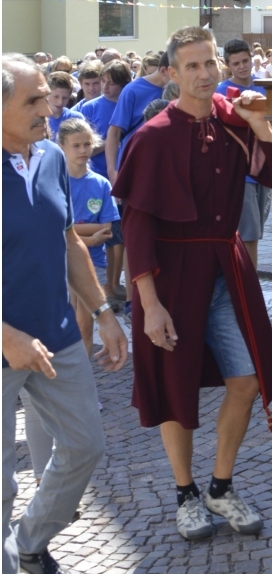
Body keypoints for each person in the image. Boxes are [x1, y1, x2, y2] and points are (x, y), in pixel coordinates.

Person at [112, 27, 272, 541]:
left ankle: (220, 485)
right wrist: (148, 305)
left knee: (247, 379)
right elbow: (137, 226)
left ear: (219, 66)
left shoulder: (236, 122)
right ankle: (185, 493)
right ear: (172, 76)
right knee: (176, 390)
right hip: (172, 277)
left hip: (227, 267)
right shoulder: (151, 138)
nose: (202, 74)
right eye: (190, 66)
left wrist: (262, 127)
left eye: (208, 63)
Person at [2, 54, 127, 574]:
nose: (47, 110)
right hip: (4, 349)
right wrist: (7, 336)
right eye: (32, 102)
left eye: (45, 101)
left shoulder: (50, 156)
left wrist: (102, 311)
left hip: (57, 336)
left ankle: (30, 545)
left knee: (86, 446)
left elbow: (67, 238)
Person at [55, 119, 118, 355]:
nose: (82, 150)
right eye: (76, 145)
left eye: (86, 144)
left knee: (86, 323)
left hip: (94, 261)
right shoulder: (55, 181)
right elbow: (57, 225)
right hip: (61, 259)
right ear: (61, 146)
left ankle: (84, 377)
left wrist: (75, 231)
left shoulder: (101, 183)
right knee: (64, 321)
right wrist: (90, 237)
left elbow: (107, 226)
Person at [217, 38, 271, 268]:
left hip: (264, 168)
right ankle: (250, 288)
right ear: (228, 65)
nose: (242, 66)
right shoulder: (221, 92)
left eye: (245, 61)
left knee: (257, 230)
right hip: (240, 171)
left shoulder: (263, 86)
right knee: (248, 234)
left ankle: (245, 283)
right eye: (236, 63)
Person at [81, 60, 132, 299]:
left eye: (111, 83)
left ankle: (114, 283)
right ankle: (99, 286)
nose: (105, 87)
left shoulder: (129, 105)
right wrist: (108, 144)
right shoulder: (89, 108)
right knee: (101, 231)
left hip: (123, 180)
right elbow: (82, 147)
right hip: (96, 180)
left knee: (118, 234)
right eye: (103, 81)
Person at [105, 52, 170, 185]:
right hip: (135, 166)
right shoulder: (133, 90)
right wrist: (112, 171)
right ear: (164, 71)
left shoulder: (178, 90)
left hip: (164, 168)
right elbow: (115, 131)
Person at [45, 71, 82, 136]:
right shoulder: (38, 119)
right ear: (47, 94)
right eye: (56, 97)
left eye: (65, 98)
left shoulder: (76, 118)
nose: (60, 102)